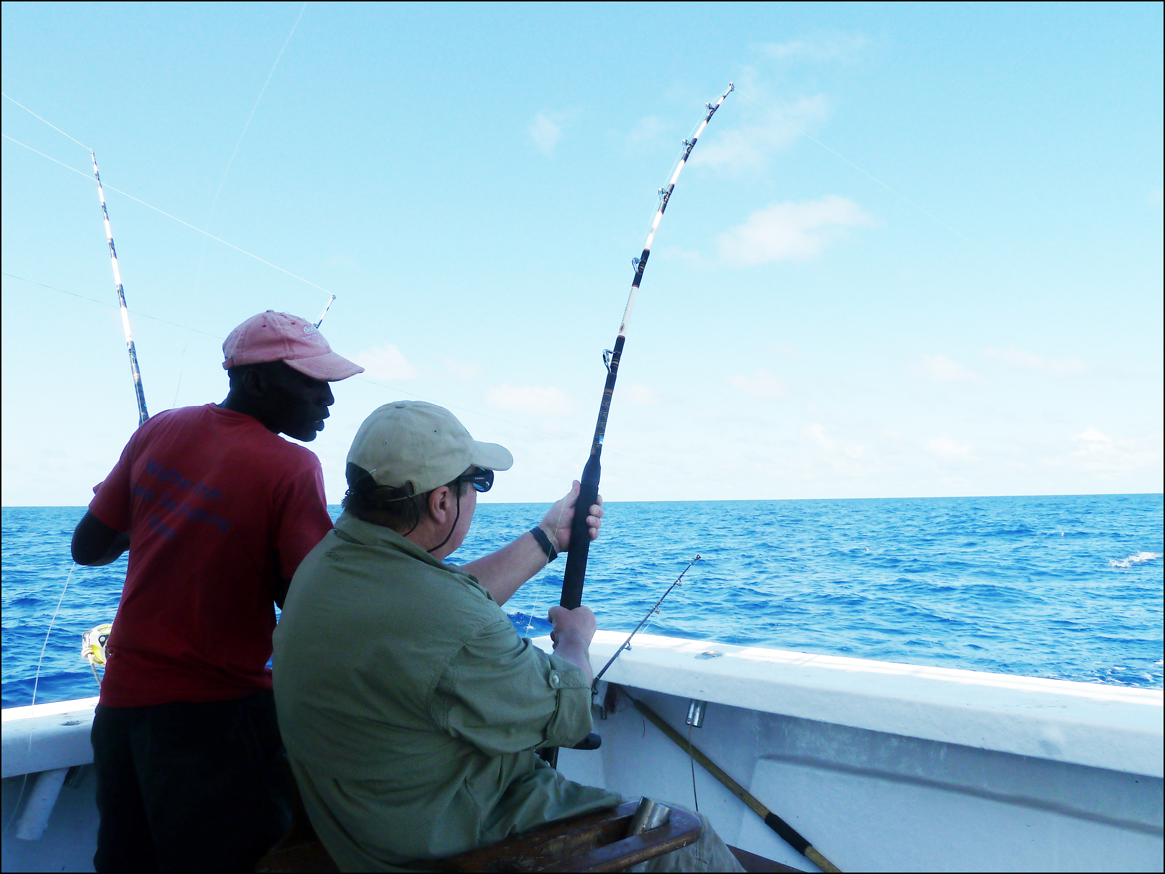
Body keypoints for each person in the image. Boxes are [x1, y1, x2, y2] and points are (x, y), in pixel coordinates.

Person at [272, 401, 744, 872]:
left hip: (368, 834)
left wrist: (549, 536)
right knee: (692, 841)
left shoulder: (327, 567)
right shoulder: (450, 623)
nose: (477, 495)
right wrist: (574, 639)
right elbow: (569, 710)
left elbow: (442, 600)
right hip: (464, 846)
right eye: (477, 482)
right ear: (441, 502)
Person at [71, 309, 364, 872]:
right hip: (217, 718)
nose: (327, 399)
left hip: (123, 710)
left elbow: (88, 547)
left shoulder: (158, 430)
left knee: (127, 861)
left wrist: (161, 511)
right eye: (312, 382)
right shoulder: (292, 467)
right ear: (256, 380)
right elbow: (307, 604)